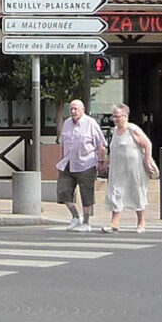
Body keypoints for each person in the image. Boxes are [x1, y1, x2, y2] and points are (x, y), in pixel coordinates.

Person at [104, 104, 158, 233]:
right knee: (115, 192)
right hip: (117, 169)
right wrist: (107, 161)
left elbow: (147, 144)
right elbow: (113, 148)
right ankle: (114, 223)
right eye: (114, 116)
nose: (115, 119)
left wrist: (147, 159)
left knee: (136, 192)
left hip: (134, 168)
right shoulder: (114, 131)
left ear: (125, 116)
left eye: (118, 116)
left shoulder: (132, 129)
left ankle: (141, 222)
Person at [55, 98, 105, 232]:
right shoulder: (66, 123)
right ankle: (76, 217)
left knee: (86, 194)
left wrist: (101, 161)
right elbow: (62, 144)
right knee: (63, 191)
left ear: (82, 110)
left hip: (86, 164)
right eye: (71, 109)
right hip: (68, 163)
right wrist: (61, 160)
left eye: (76, 109)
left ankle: (86, 222)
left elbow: (101, 144)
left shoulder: (90, 123)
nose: (73, 111)